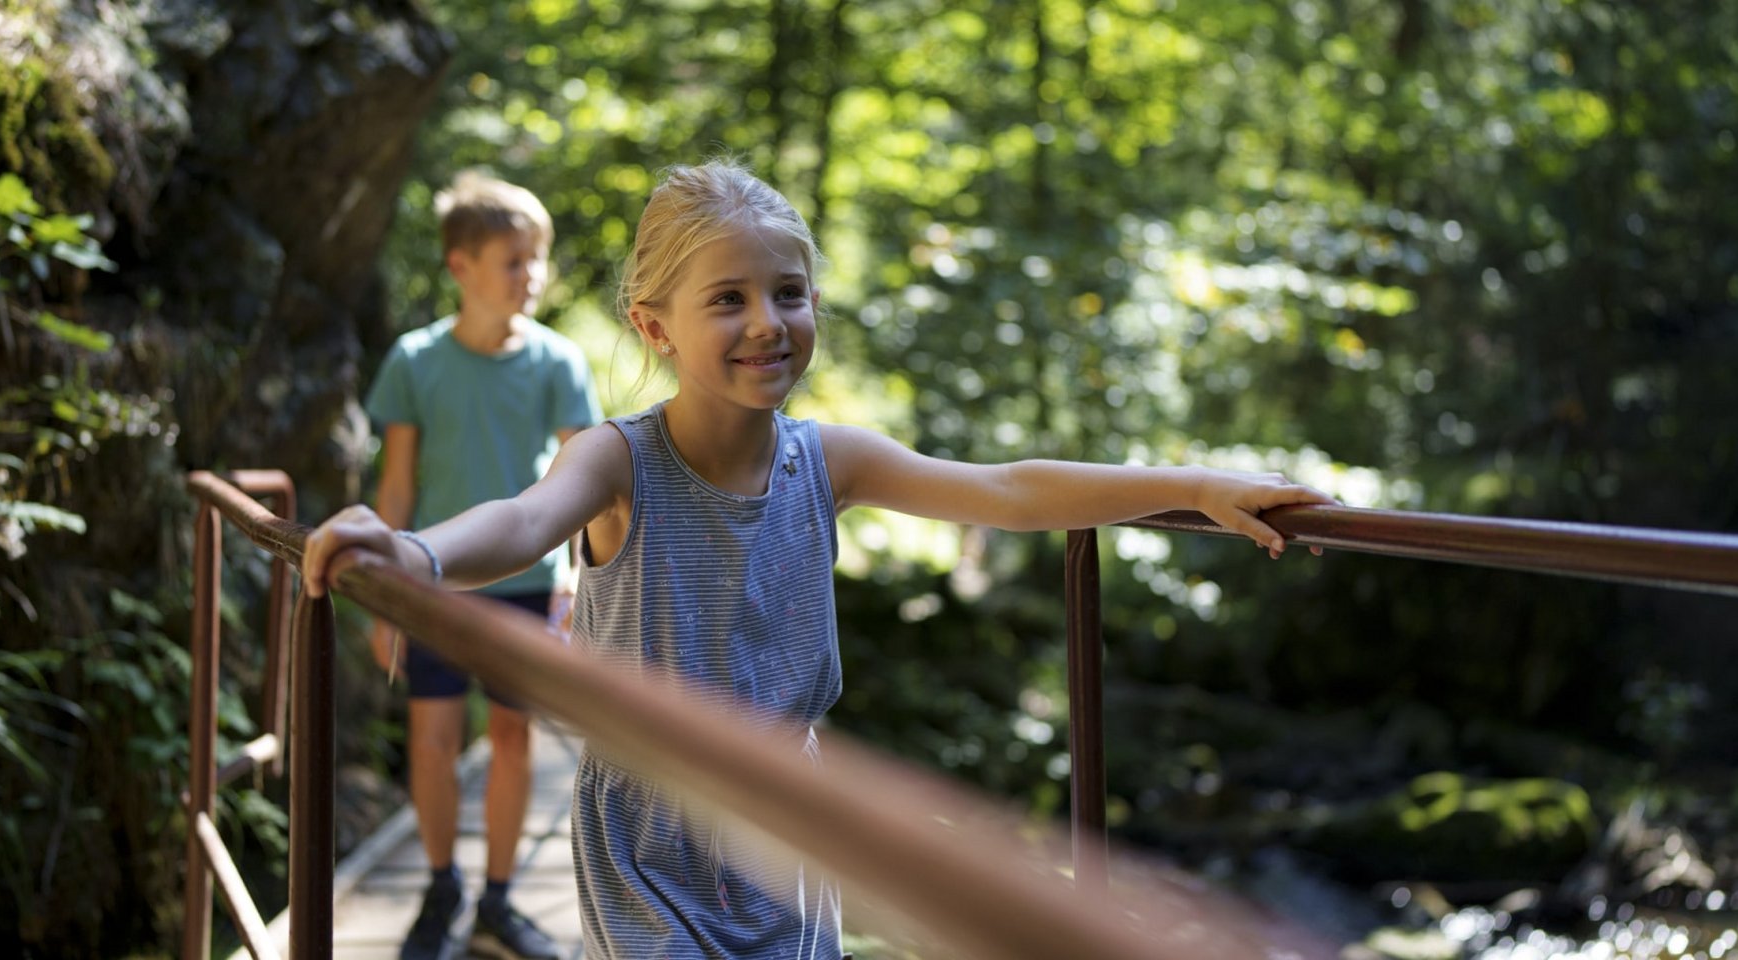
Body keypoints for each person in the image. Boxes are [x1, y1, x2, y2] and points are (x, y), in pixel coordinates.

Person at [307, 159, 1331, 960]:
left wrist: (1190, 486)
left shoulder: (826, 458)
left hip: (790, 827)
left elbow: (1007, 488)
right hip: (652, 835)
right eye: (728, 300)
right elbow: (521, 523)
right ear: (653, 325)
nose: (767, 323)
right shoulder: (617, 459)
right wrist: (409, 552)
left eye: (787, 293)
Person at [362, 170, 600, 960]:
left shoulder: (559, 363)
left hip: (528, 586)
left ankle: (499, 901)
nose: (531, 275)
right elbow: (395, 485)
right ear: (460, 266)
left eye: (537, 259)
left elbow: (584, 491)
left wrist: (573, 584)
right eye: (513, 260)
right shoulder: (414, 360)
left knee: (511, 737)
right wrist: (382, 600)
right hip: (433, 586)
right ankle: (441, 887)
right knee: (431, 739)